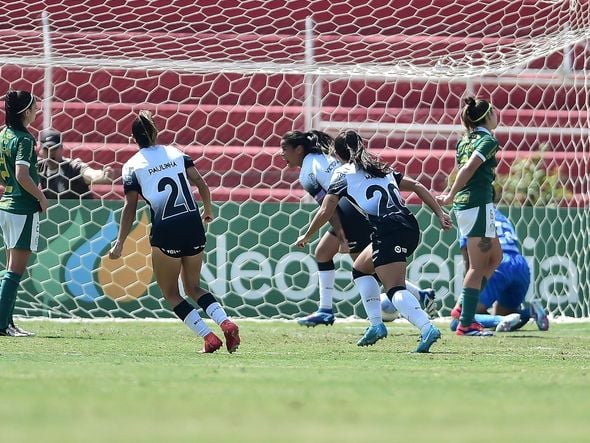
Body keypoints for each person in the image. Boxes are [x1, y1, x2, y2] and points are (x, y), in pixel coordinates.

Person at [296, 130, 452, 352]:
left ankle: (427, 328)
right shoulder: (379, 167)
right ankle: (376, 325)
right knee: (360, 268)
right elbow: (417, 185)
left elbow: (325, 210)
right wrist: (439, 213)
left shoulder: (343, 174)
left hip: (389, 229)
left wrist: (307, 235)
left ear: (338, 154)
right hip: (408, 224)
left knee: (394, 289)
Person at [109, 110, 240, 354]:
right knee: (194, 286)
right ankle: (226, 322)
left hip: (166, 227)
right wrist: (208, 210)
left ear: (134, 138)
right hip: (192, 222)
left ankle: (209, 337)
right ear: (155, 131)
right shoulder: (175, 153)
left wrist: (119, 243)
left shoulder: (132, 166)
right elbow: (200, 183)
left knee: (171, 292)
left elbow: (130, 207)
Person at [436, 97, 503, 336]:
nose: (498, 114)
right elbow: (468, 169)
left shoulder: (464, 140)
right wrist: (451, 194)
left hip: (472, 206)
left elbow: (465, 169)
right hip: (476, 205)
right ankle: (466, 323)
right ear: (487, 116)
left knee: (495, 257)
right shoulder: (487, 140)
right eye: (494, 111)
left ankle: (463, 306)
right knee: (477, 266)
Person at [449, 206, 549, 332]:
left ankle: (498, 320)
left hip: (497, 265)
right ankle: (530, 312)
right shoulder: (503, 217)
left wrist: (467, 292)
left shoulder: (471, 215)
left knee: (458, 320)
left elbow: (469, 261)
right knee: (506, 315)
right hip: (520, 265)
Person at [0, 90, 48, 337]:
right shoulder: (25, 139)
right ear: (25, 112)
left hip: (6, 205)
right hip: (22, 208)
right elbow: (22, 174)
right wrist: (41, 197)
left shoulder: (3, 134)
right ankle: (2, 325)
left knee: (10, 268)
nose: (37, 111)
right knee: (15, 271)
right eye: (35, 107)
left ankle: (7, 323)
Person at [38, 129, 115, 199]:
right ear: (40, 151)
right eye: (46, 149)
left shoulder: (73, 168)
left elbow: (89, 174)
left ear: (61, 149)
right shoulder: (38, 167)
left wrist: (102, 175)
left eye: (54, 148)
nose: (50, 152)